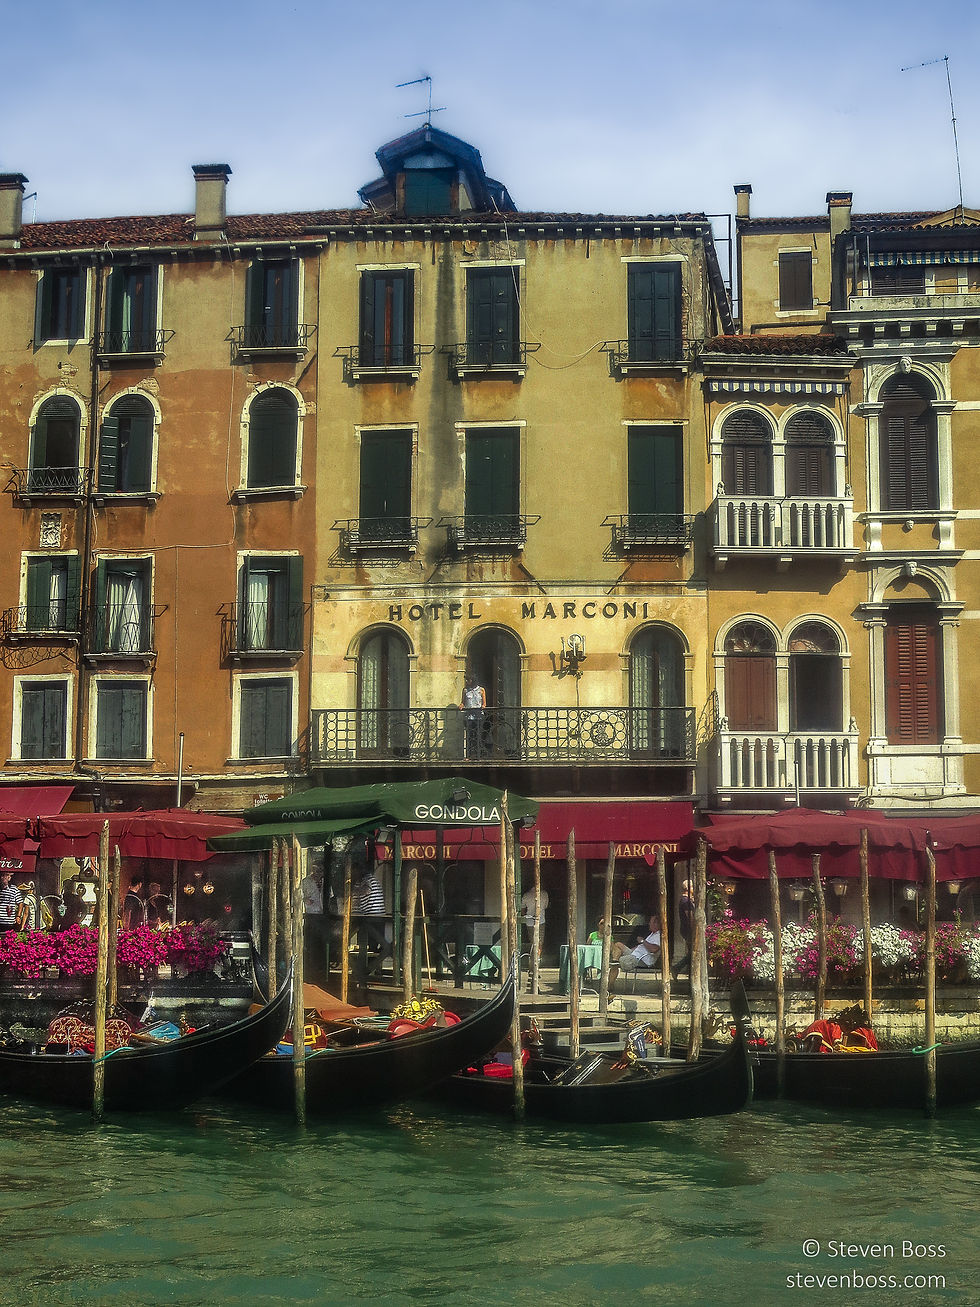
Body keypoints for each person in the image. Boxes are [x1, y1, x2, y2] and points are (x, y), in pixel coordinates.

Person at [609, 914, 662, 986]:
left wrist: (642, 941)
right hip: (635, 954)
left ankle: (610, 984)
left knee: (616, 963)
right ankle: (615, 959)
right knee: (618, 944)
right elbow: (640, 947)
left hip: (641, 959)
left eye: (650, 922)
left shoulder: (659, 936)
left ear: (656, 924)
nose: (649, 924)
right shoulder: (652, 934)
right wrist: (629, 951)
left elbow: (654, 949)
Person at [354, 868, 390, 958]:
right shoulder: (359, 882)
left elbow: (366, 890)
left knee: (371, 945)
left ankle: (370, 963)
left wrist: (352, 891)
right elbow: (357, 904)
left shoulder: (368, 879)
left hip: (375, 916)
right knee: (367, 945)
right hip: (368, 917)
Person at [459, 671, 487, 759]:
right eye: (466, 680)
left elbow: (484, 703)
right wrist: (461, 705)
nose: (467, 681)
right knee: (469, 736)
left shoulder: (481, 690)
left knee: (478, 735)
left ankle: (478, 755)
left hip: (479, 716)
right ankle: (468, 755)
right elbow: (463, 702)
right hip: (468, 717)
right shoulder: (465, 690)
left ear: (473, 680)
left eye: (468, 680)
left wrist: (483, 706)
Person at [673, 880, 694, 979]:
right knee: (693, 953)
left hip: (686, 929)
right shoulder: (686, 901)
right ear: (688, 888)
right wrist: (695, 930)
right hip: (689, 930)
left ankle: (686, 971)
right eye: (693, 887)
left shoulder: (687, 900)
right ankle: (677, 968)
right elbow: (690, 917)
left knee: (691, 952)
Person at [520, 884, 548, 957]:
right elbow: (546, 906)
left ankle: (533, 956)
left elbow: (522, 910)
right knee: (540, 940)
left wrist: (526, 915)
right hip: (541, 920)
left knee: (532, 941)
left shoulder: (526, 895)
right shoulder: (544, 894)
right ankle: (538, 957)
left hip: (529, 921)